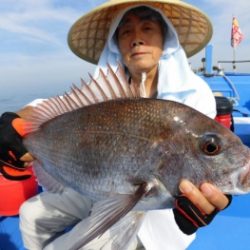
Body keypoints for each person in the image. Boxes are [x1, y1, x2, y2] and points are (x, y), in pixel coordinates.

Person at [0, 1, 231, 249]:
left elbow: (204, 160)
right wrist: (12, 122)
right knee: (30, 215)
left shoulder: (196, 94)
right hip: (95, 182)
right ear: (116, 43)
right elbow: (47, 107)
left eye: (147, 28)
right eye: (126, 31)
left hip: (151, 204)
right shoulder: (103, 93)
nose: (137, 39)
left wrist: (215, 194)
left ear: (166, 39)